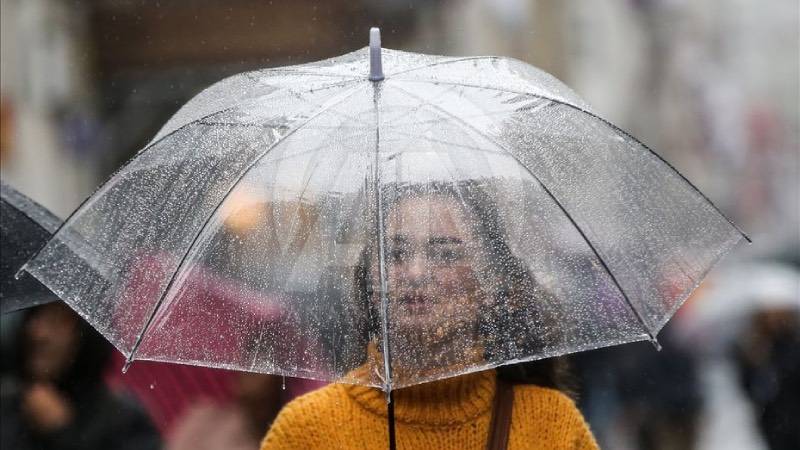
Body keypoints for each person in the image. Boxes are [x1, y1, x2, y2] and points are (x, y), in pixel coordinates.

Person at [260, 181, 599, 449]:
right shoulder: (308, 430)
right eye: (395, 253)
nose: (416, 272)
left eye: (446, 254)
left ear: (492, 281)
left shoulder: (550, 423)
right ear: (370, 278)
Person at [0, 302, 161, 450]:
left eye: (58, 321)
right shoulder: (7, 402)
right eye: (35, 317)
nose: (39, 333)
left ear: (86, 334)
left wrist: (63, 434)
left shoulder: (125, 421)